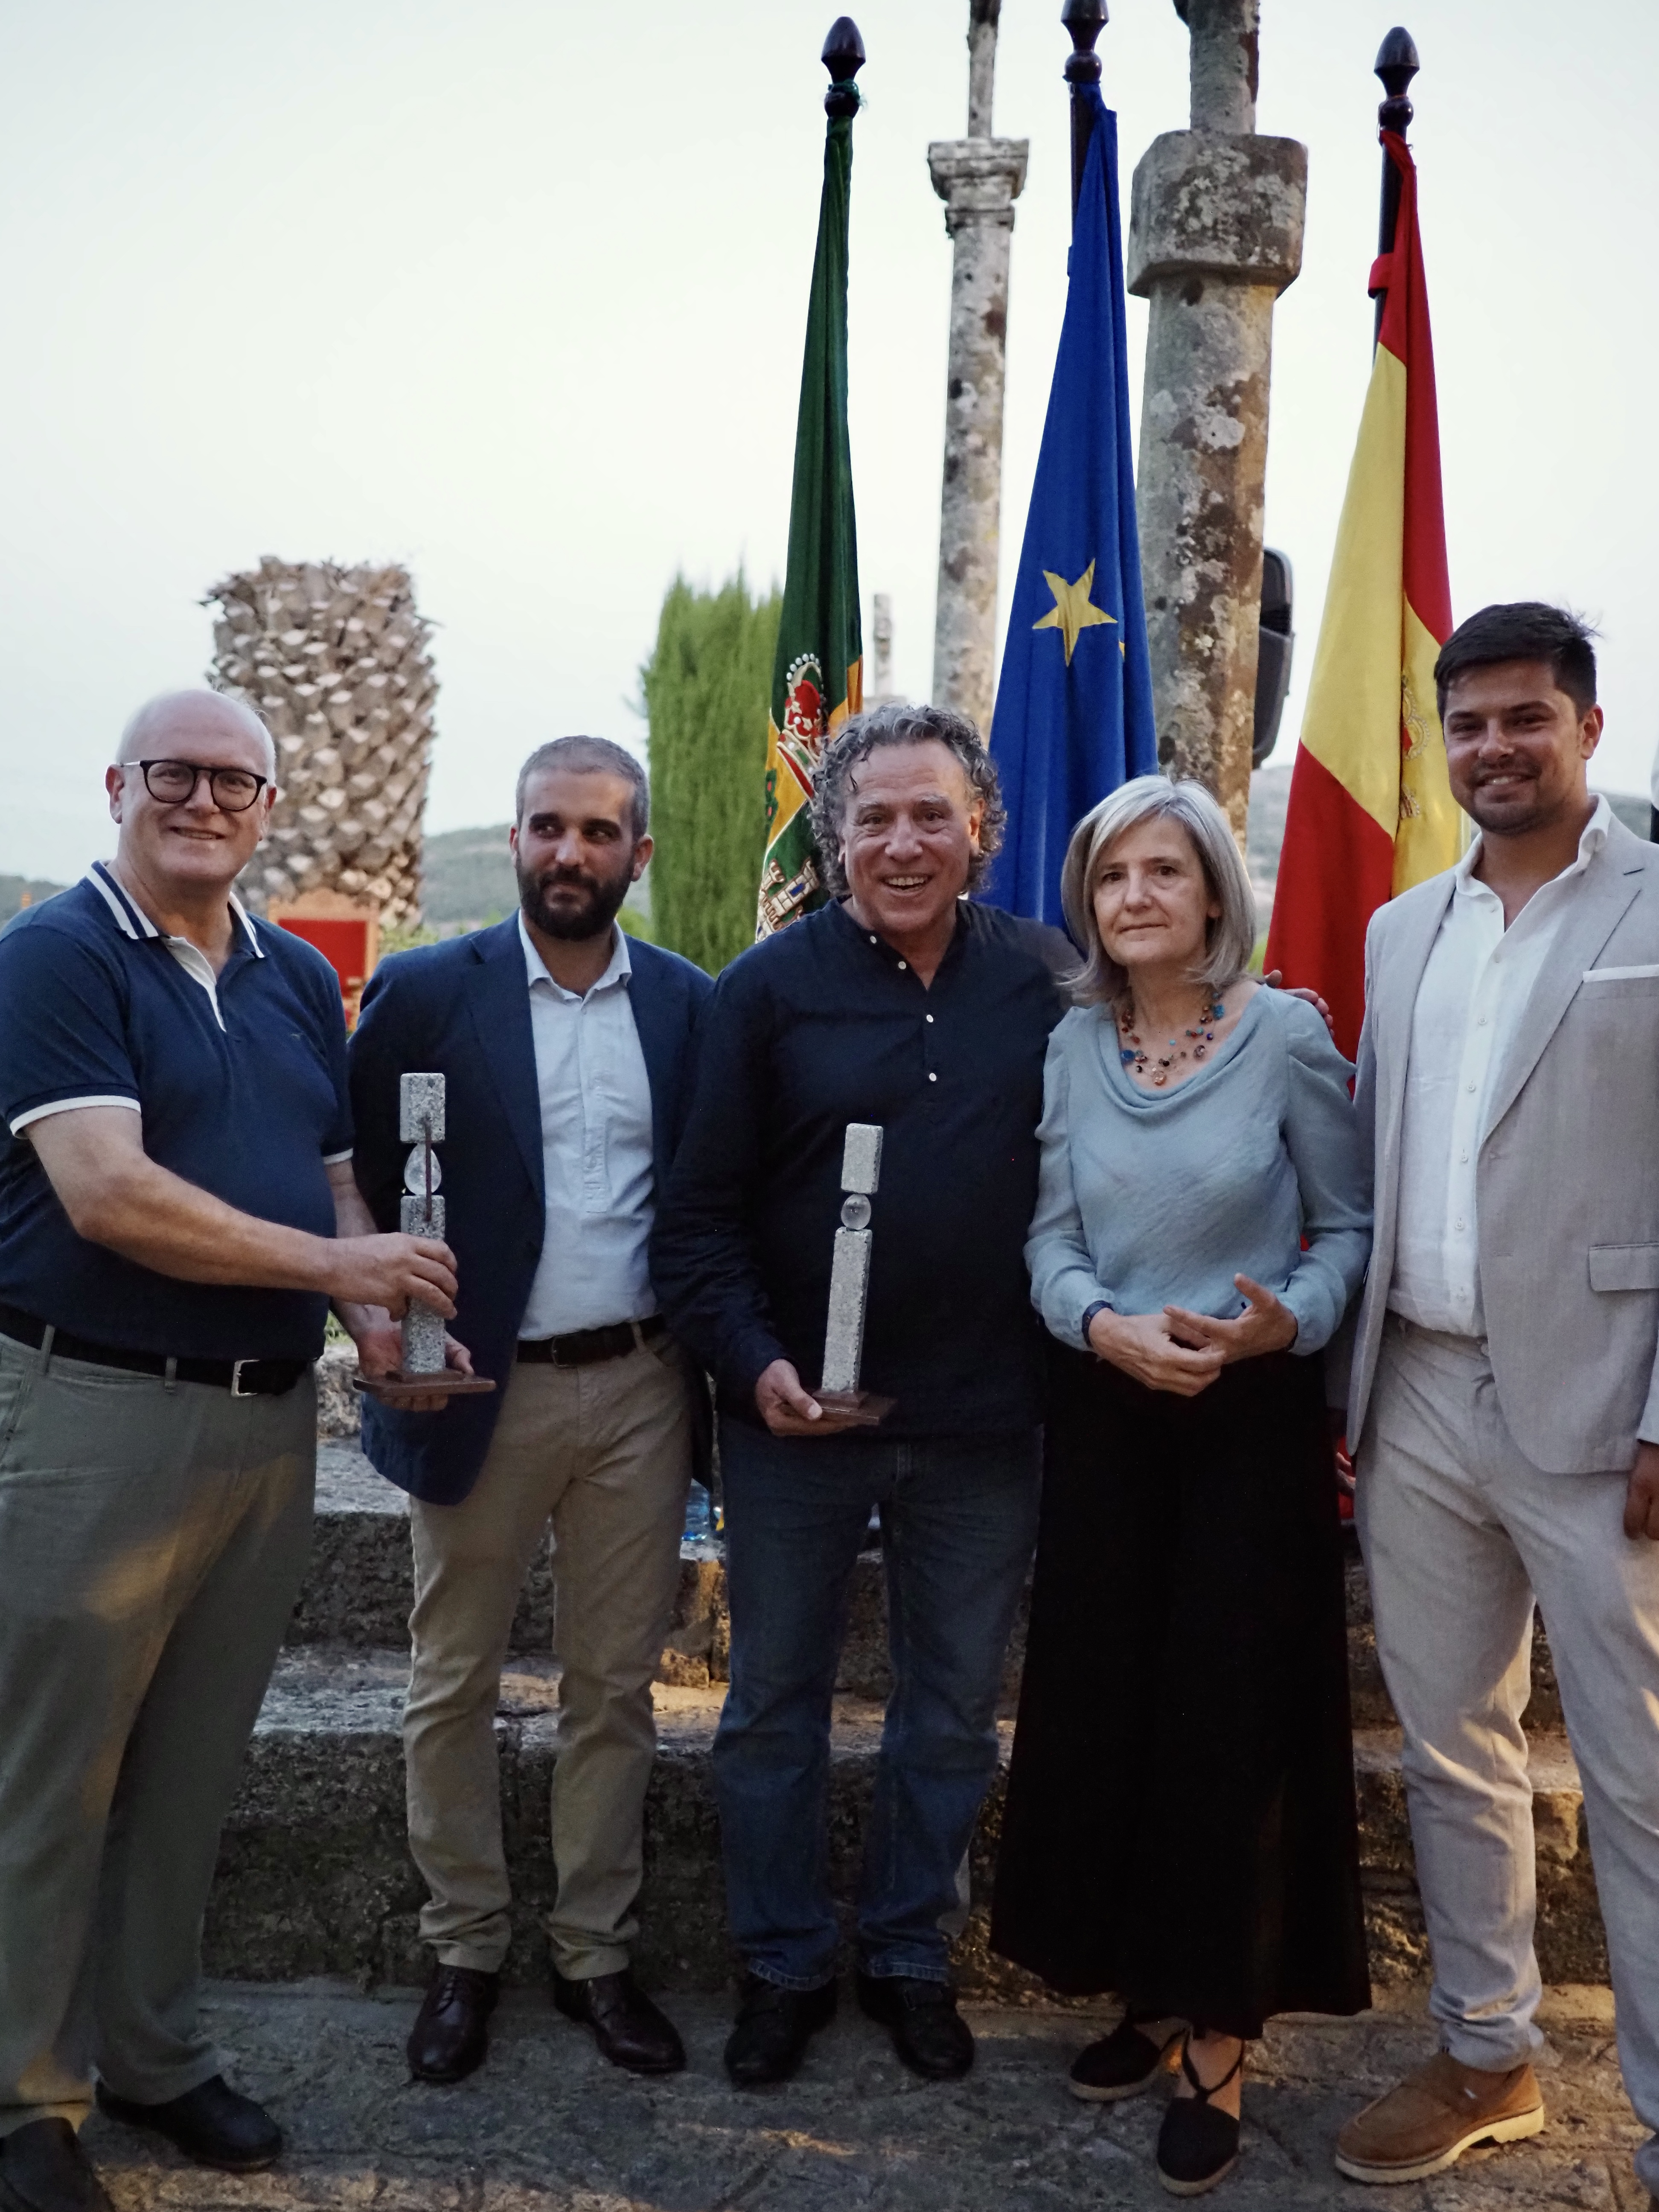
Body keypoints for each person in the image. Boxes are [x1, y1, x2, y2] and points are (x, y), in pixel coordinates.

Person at [0, 693, 455, 2212]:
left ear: (268, 807)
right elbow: (109, 1196)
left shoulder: (287, 982)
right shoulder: (56, 959)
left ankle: (154, 2052)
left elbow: (333, 1175)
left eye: (234, 781)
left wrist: (375, 1327)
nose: (204, 799)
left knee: (193, 1768)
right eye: (175, 774)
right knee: (52, 1775)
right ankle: (22, 2098)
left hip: (263, 1424)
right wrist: (347, 1279)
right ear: (120, 782)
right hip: (92, 1416)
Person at [651, 699, 1073, 2089]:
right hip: (795, 1429)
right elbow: (698, 1220)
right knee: (774, 1699)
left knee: (951, 1709)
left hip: (984, 1427)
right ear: (833, 836)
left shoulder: (1051, 978)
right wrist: (756, 1369)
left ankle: (906, 1951)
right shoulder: (762, 992)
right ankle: (779, 1962)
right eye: (874, 816)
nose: (903, 840)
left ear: (981, 832)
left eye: (931, 815)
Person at [989, 774, 1371, 2196]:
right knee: (1110, 1707)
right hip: (1107, 1413)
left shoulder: (1286, 1038)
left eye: (1164, 871)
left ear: (1216, 893)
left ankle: (1219, 2027)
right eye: (1109, 877)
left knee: (1226, 1725)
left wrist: (1287, 1322)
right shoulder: (1074, 1045)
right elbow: (1047, 1240)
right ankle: (1140, 1987)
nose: (1135, 897)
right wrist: (1101, 1323)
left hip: (1245, 1425)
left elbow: (1348, 1231)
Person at [1333, 603, 1659, 2204]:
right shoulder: (1407, 929)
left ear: (1588, 726)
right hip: (1419, 1393)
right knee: (1453, 1752)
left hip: (1613, 1419)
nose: (1494, 749)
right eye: (1468, 725)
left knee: (1642, 1770)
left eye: (1526, 718)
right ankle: (1488, 2050)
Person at [346, 736, 711, 2087]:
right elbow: (360, 1179)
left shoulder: (687, 1006)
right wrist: (375, 1330)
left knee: (615, 1688)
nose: (572, 853)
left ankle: (595, 1956)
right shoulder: (429, 991)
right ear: (512, 841)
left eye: (600, 833)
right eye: (548, 828)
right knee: (453, 1681)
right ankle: (464, 1949)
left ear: (639, 855)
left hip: (640, 1390)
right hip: (476, 1383)